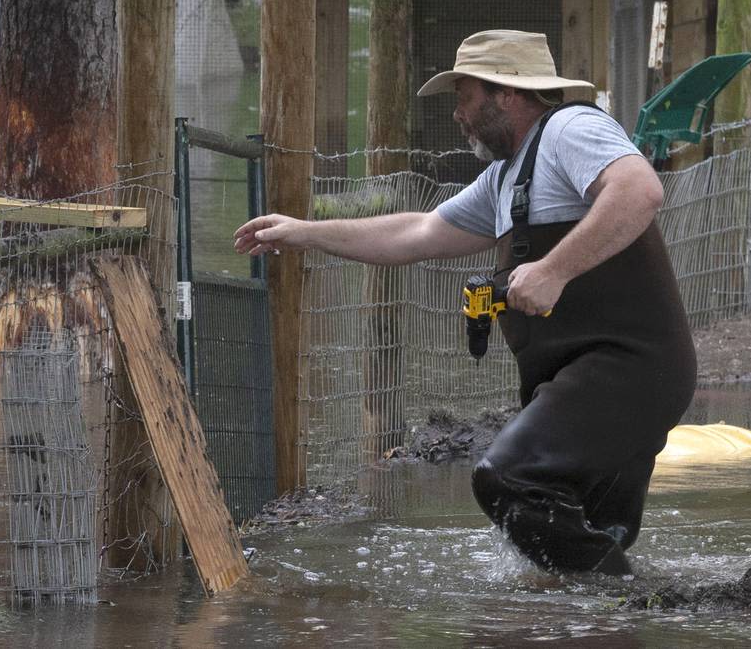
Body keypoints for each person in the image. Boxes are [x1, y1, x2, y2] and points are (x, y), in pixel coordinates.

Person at [234, 29, 696, 575]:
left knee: (507, 479)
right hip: (587, 376)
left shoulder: (574, 127)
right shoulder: (506, 177)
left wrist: (553, 269)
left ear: (506, 92)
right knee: (587, 540)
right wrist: (305, 232)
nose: (457, 113)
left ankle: (638, 603)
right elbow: (419, 232)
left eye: (464, 95)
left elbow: (640, 191)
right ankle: (623, 617)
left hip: (630, 368)